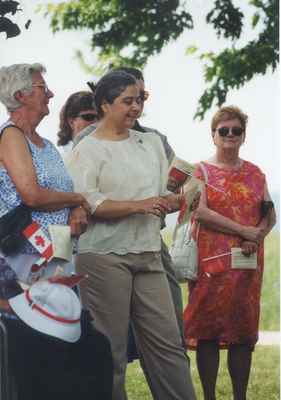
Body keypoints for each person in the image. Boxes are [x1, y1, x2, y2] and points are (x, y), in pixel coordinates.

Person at [65, 70, 196, 400]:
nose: (136, 106)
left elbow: (161, 194)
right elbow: (89, 203)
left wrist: (175, 200)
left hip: (149, 252)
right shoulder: (86, 149)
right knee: (111, 349)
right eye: (127, 101)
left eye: (139, 99)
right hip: (103, 257)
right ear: (105, 105)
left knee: (169, 345)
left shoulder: (151, 143)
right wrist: (140, 206)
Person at [0, 63, 113, 399]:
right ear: (21, 95)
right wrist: (79, 197)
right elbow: (32, 194)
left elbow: (64, 190)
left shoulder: (47, 145)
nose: (50, 93)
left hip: (59, 254)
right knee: (34, 342)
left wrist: (77, 207)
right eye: (41, 87)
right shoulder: (10, 136)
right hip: (22, 256)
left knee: (66, 336)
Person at [183, 106, 276, 400]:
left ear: (244, 136)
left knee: (242, 333)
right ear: (213, 135)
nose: (230, 135)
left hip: (247, 262)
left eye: (236, 130)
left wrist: (256, 235)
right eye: (224, 130)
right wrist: (243, 231)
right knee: (208, 331)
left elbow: (268, 213)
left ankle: (240, 396)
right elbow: (200, 212)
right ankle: (209, 396)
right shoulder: (201, 171)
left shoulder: (255, 173)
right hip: (211, 262)